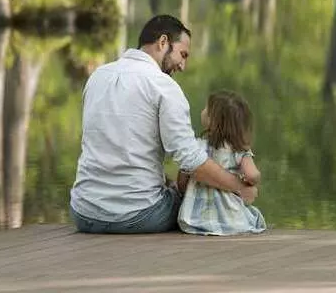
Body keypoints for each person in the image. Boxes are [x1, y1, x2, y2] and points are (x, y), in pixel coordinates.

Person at [69, 14, 258, 234]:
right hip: (139, 216)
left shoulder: (97, 77)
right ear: (163, 42)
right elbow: (191, 161)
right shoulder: (164, 87)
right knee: (194, 199)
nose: (183, 66)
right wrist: (239, 188)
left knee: (171, 185)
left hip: (83, 213)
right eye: (182, 54)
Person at [177, 90, 267, 236]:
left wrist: (184, 191)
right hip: (231, 220)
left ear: (213, 120)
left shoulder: (196, 147)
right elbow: (251, 174)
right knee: (254, 216)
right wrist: (251, 183)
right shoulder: (239, 150)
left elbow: (182, 181)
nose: (202, 111)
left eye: (206, 108)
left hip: (193, 220)